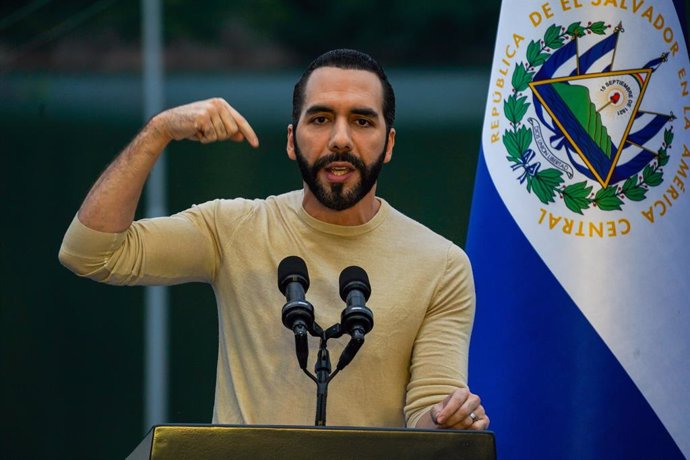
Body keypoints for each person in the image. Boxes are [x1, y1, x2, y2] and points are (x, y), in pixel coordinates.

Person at [59, 49, 489, 430]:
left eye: (362, 121)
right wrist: (158, 132)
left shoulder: (441, 263)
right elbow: (91, 253)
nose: (340, 139)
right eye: (320, 119)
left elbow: (430, 411)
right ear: (291, 140)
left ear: (389, 143)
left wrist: (447, 420)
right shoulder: (232, 228)